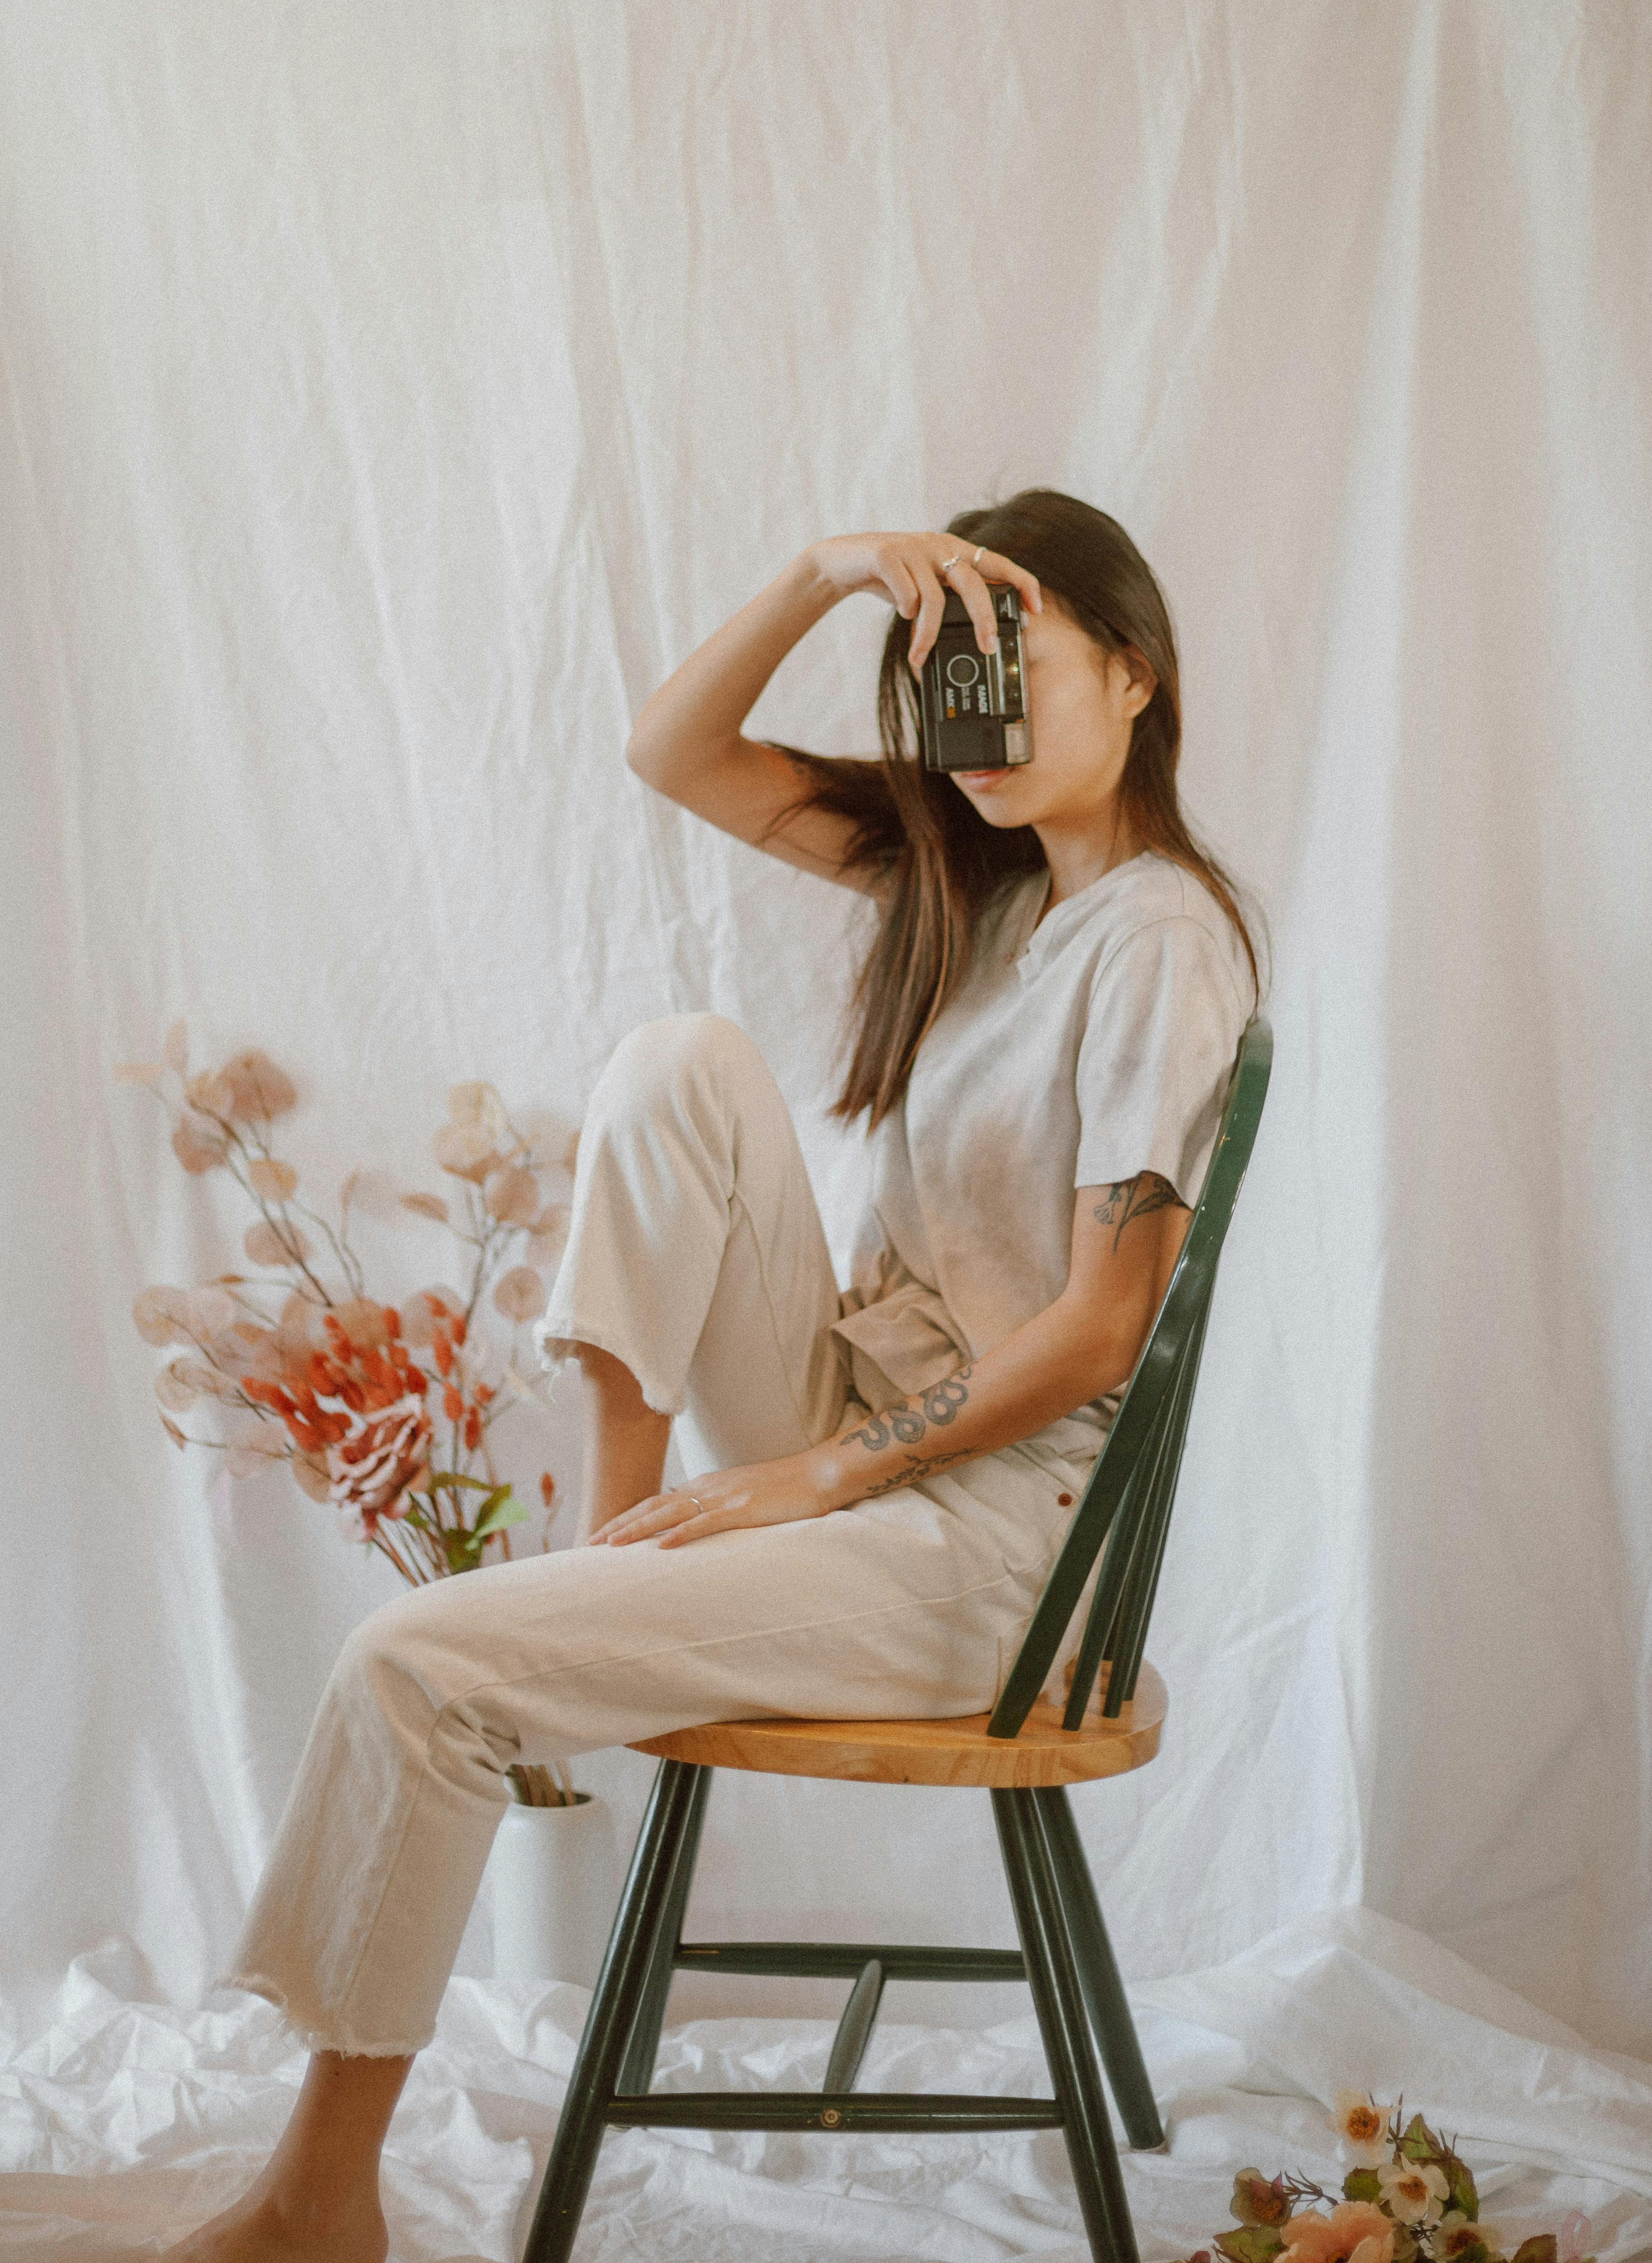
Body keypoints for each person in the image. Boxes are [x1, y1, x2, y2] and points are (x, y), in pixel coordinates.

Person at [163, 490, 1260, 2261]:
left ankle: (318, 2199)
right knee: (678, 1060)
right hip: (865, 1426)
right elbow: (669, 748)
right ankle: (623, 1536)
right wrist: (831, 575)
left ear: (1133, 676)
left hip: (994, 1551)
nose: (972, 711)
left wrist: (829, 1473)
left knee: (413, 1660)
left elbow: (1101, 1326)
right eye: (945, 673)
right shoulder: (972, 889)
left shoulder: (1161, 940)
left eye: (1019, 662)